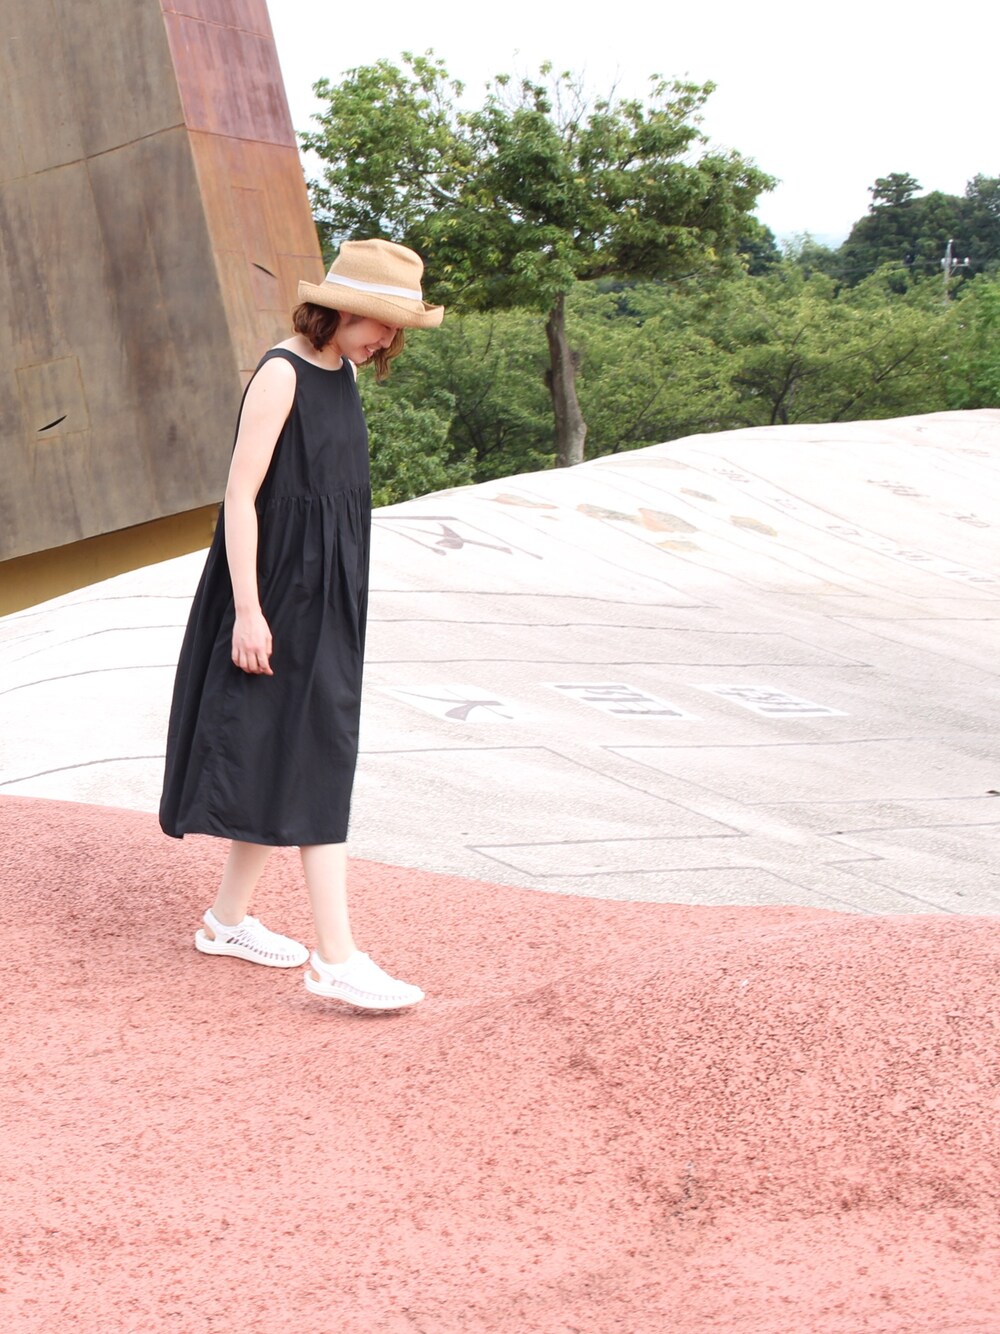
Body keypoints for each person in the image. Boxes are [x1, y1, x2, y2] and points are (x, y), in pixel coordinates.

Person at [159, 239, 444, 1009]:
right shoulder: (281, 373)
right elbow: (240, 497)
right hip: (279, 592)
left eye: (396, 327)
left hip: (329, 592)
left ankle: (226, 921)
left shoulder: (341, 372)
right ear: (342, 309)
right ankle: (336, 957)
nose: (388, 339)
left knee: (289, 743)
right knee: (321, 752)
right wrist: (249, 612)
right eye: (382, 322)